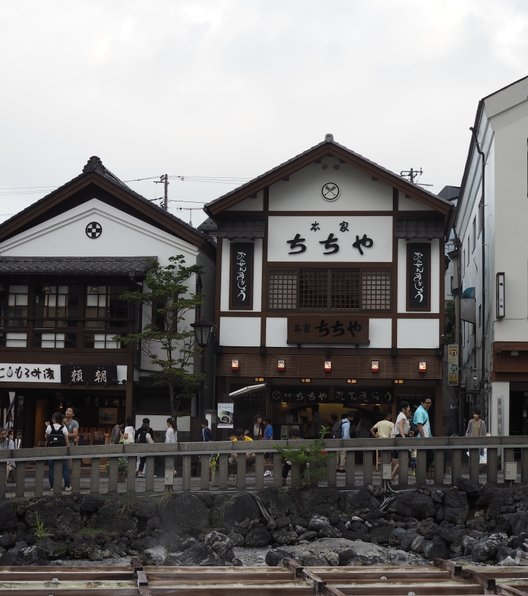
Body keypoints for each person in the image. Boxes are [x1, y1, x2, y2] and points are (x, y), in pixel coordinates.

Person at [46, 411, 70, 490]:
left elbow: (46, 437)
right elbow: (66, 441)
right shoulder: (64, 428)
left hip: (51, 451)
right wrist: (68, 448)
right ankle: (67, 486)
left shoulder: (49, 427)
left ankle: (52, 486)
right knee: (65, 469)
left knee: (51, 469)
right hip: (62, 451)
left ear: (53, 419)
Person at [390, 401, 411, 482]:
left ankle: (391, 479)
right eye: (408, 407)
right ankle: (391, 478)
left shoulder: (400, 415)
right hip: (400, 437)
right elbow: (400, 427)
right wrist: (404, 437)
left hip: (396, 437)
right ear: (403, 409)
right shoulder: (402, 416)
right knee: (403, 460)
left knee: (395, 461)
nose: (409, 409)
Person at [412, 398, 434, 477]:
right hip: (422, 439)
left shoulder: (423, 410)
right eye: (427, 403)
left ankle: (423, 474)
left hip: (425, 438)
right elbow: (419, 425)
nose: (429, 405)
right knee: (427, 456)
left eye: (430, 403)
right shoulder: (421, 411)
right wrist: (424, 438)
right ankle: (422, 474)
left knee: (427, 456)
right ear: (422, 403)